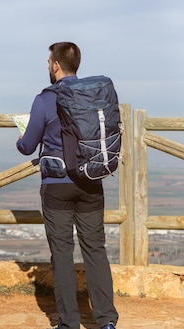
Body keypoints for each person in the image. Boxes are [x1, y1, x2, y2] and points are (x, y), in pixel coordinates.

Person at [16, 42, 119, 329]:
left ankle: (68, 323)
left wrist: (20, 136)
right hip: (90, 182)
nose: (49, 66)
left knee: (62, 253)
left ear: (56, 65)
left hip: (57, 185)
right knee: (95, 250)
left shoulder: (44, 99)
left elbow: (27, 146)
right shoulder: (93, 96)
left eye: (49, 62)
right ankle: (107, 321)